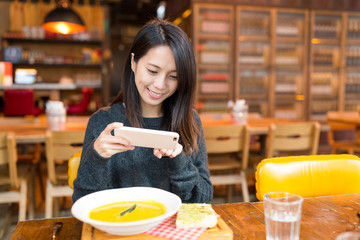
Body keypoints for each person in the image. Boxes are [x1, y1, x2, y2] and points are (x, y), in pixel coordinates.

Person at [73, 19, 213, 203]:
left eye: (174, 76)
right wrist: (97, 157)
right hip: (120, 227)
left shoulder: (190, 120)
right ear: (133, 63)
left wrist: (179, 160)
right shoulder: (103, 121)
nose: (160, 85)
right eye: (152, 71)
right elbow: (82, 203)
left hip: (173, 229)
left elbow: (203, 200)